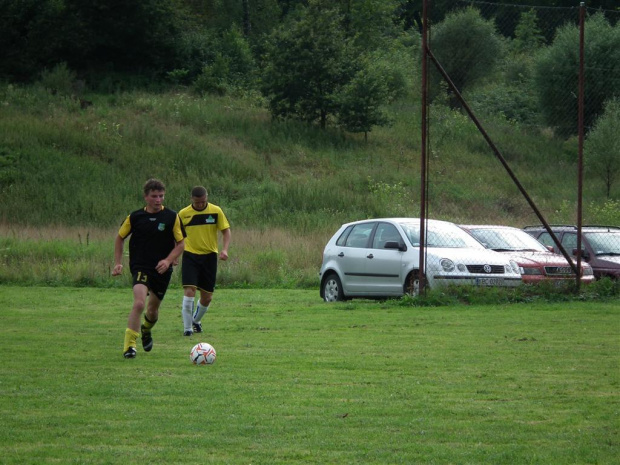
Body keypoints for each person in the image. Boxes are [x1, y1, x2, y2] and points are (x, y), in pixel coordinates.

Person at [112, 179, 185, 359]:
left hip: (161, 269)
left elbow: (181, 244)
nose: (158, 200)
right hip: (141, 266)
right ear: (146, 197)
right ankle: (129, 346)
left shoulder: (172, 217)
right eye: (154, 196)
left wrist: (169, 260)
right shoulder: (135, 217)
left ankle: (146, 330)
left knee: (152, 311)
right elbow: (120, 238)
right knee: (139, 303)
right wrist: (118, 262)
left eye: (161, 196)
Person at [178, 186, 231, 336]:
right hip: (190, 255)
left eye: (203, 202)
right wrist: (174, 256)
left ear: (206, 197)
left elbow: (226, 230)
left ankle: (196, 320)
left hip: (209, 257)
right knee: (189, 291)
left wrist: (225, 249)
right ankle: (187, 329)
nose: (200, 204)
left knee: (207, 297)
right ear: (191, 200)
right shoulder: (183, 214)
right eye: (197, 202)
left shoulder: (216, 211)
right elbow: (176, 235)